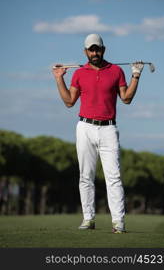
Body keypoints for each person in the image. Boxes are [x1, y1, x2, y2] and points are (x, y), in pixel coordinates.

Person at [52, 33, 144, 233]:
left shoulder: (116, 71)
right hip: (85, 127)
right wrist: (59, 79)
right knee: (85, 176)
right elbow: (69, 101)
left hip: (109, 128)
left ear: (104, 49)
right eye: (91, 49)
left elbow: (126, 98)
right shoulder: (79, 73)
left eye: (98, 49)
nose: (95, 52)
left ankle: (118, 222)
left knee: (114, 177)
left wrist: (136, 75)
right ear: (85, 51)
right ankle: (88, 219)